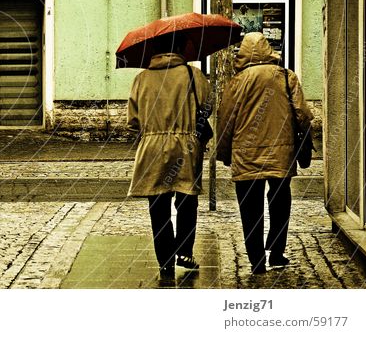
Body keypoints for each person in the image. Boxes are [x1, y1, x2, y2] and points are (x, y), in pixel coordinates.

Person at [216, 32, 313, 274]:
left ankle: (256, 259)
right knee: (280, 203)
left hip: (245, 154)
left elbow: (225, 121)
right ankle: (277, 252)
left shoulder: (236, 82)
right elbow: (302, 113)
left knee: (250, 209)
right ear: (269, 50)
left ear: (243, 54)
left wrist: (225, 153)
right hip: (281, 152)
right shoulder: (285, 77)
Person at [127, 32, 211, 278]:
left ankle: (165, 260)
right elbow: (207, 107)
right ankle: (185, 249)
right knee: (187, 198)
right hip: (186, 144)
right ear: (180, 48)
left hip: (152, 146)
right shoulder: (193, 75)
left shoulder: (141, 79)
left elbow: (133, 121)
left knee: (158, 203)